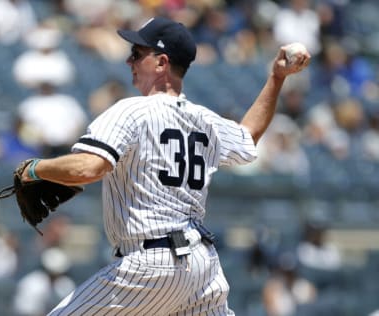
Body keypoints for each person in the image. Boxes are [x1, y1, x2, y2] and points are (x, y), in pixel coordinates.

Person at [17, 16, 310, 315]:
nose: (129, 60)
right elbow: (249, 136)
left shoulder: (131, 110)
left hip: (150, 263)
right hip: (200, 267)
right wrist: (276, 78)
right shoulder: (204, 119)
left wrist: (34, 169)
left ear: (161, 63)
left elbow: (90, 167)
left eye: (137, 53)